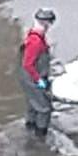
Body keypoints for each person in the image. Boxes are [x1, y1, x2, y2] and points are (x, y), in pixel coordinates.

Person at [20, 8, 57, 137]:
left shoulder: (34, 36)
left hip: (29, 78)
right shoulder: (35, 42)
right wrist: (38, 80)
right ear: (46, 23)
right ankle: (40, 139)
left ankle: (29, 130)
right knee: (44, 109)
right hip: (32, 79)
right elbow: (28, 64)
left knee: (33, 106)